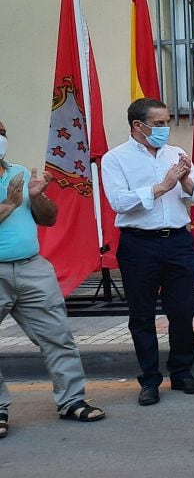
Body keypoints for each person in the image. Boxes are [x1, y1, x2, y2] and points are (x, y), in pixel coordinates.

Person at [0, 120, 105, 437]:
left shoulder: (18, 172)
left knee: (58, 337)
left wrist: (37, 196)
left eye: (2, 133)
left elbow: (48, 219)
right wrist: (9, 204)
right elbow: (11, 208)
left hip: (32, 268)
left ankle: (72, 401)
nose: (0, 139)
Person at [101, 98, 194, 406]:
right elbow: (119, 202)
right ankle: (149, 380)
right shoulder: (115, 159)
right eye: (159, 123)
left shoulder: (176, 154)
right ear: (139, 125)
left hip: (178, 241)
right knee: (142, 314)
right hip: (139, 244)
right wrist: (162, 186)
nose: (165, 129)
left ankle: (182, 373)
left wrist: (185, 179)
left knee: (182, 311)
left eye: (167, 122)